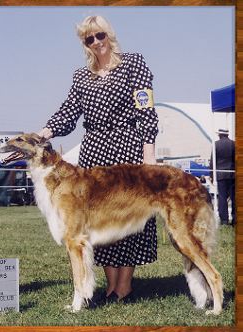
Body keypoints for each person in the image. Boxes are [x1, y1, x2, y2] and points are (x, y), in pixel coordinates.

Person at [38, 15, 159, 304]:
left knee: (129, 218)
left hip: (128, 152)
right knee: (98, 222)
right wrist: (47, 130)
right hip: (94, 153)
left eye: (99, 36)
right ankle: (109, 286)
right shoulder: (81, 76)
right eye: (88, 39)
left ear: (109, 34)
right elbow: (68, 111)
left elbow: (146, 107)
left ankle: (125, 286)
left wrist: (149, 154)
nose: (96, 43)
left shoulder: (134, 63)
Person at [210, 128, 235, 226]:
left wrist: (212, 176)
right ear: (227, 135)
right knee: (234, 198)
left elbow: (213, 161)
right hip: (233, 174)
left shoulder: (216, 144)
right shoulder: (233, 144)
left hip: (220, 175)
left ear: (219, 135)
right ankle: (234, 219)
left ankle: (224, 220)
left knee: (222, 197)